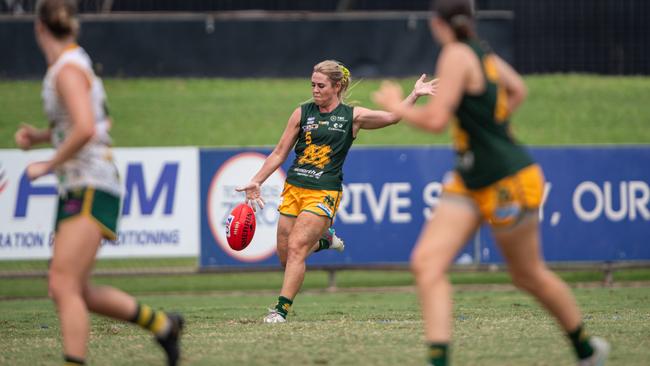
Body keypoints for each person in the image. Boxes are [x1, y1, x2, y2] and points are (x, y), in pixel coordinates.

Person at [372, 1, 609, 365]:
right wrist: (492, 130)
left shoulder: (455, 54)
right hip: (471, 177)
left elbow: (436, 120)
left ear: (437, 23)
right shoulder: (484, 55)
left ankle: (587, 351)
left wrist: (396, 105)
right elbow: (518, 90)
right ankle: (438, 360)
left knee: (527, 275)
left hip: (506, 179)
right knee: (427, 263)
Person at [14, 1, 183, 365]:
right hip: (84, 183)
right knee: (75, 290)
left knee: (62, 285)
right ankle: (164, 326)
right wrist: (43, 136)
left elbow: (87, 128)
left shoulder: (66, 70)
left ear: (39, 28)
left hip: (90, 182)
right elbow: (83, 123)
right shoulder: (74, 63)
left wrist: (47, 164)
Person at [237, 60, 437, 323]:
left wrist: (414, 95)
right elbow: (279, 152)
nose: (315, 90)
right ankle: (325, 241)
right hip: (295, 188)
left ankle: (280, 311)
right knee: (286, 257)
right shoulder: (302, 113)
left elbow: (392, 117)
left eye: (321, 85)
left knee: (297, 248)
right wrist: (257, 180)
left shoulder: (351, 117)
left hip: (324, 192)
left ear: (337, 86)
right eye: (312, 85)